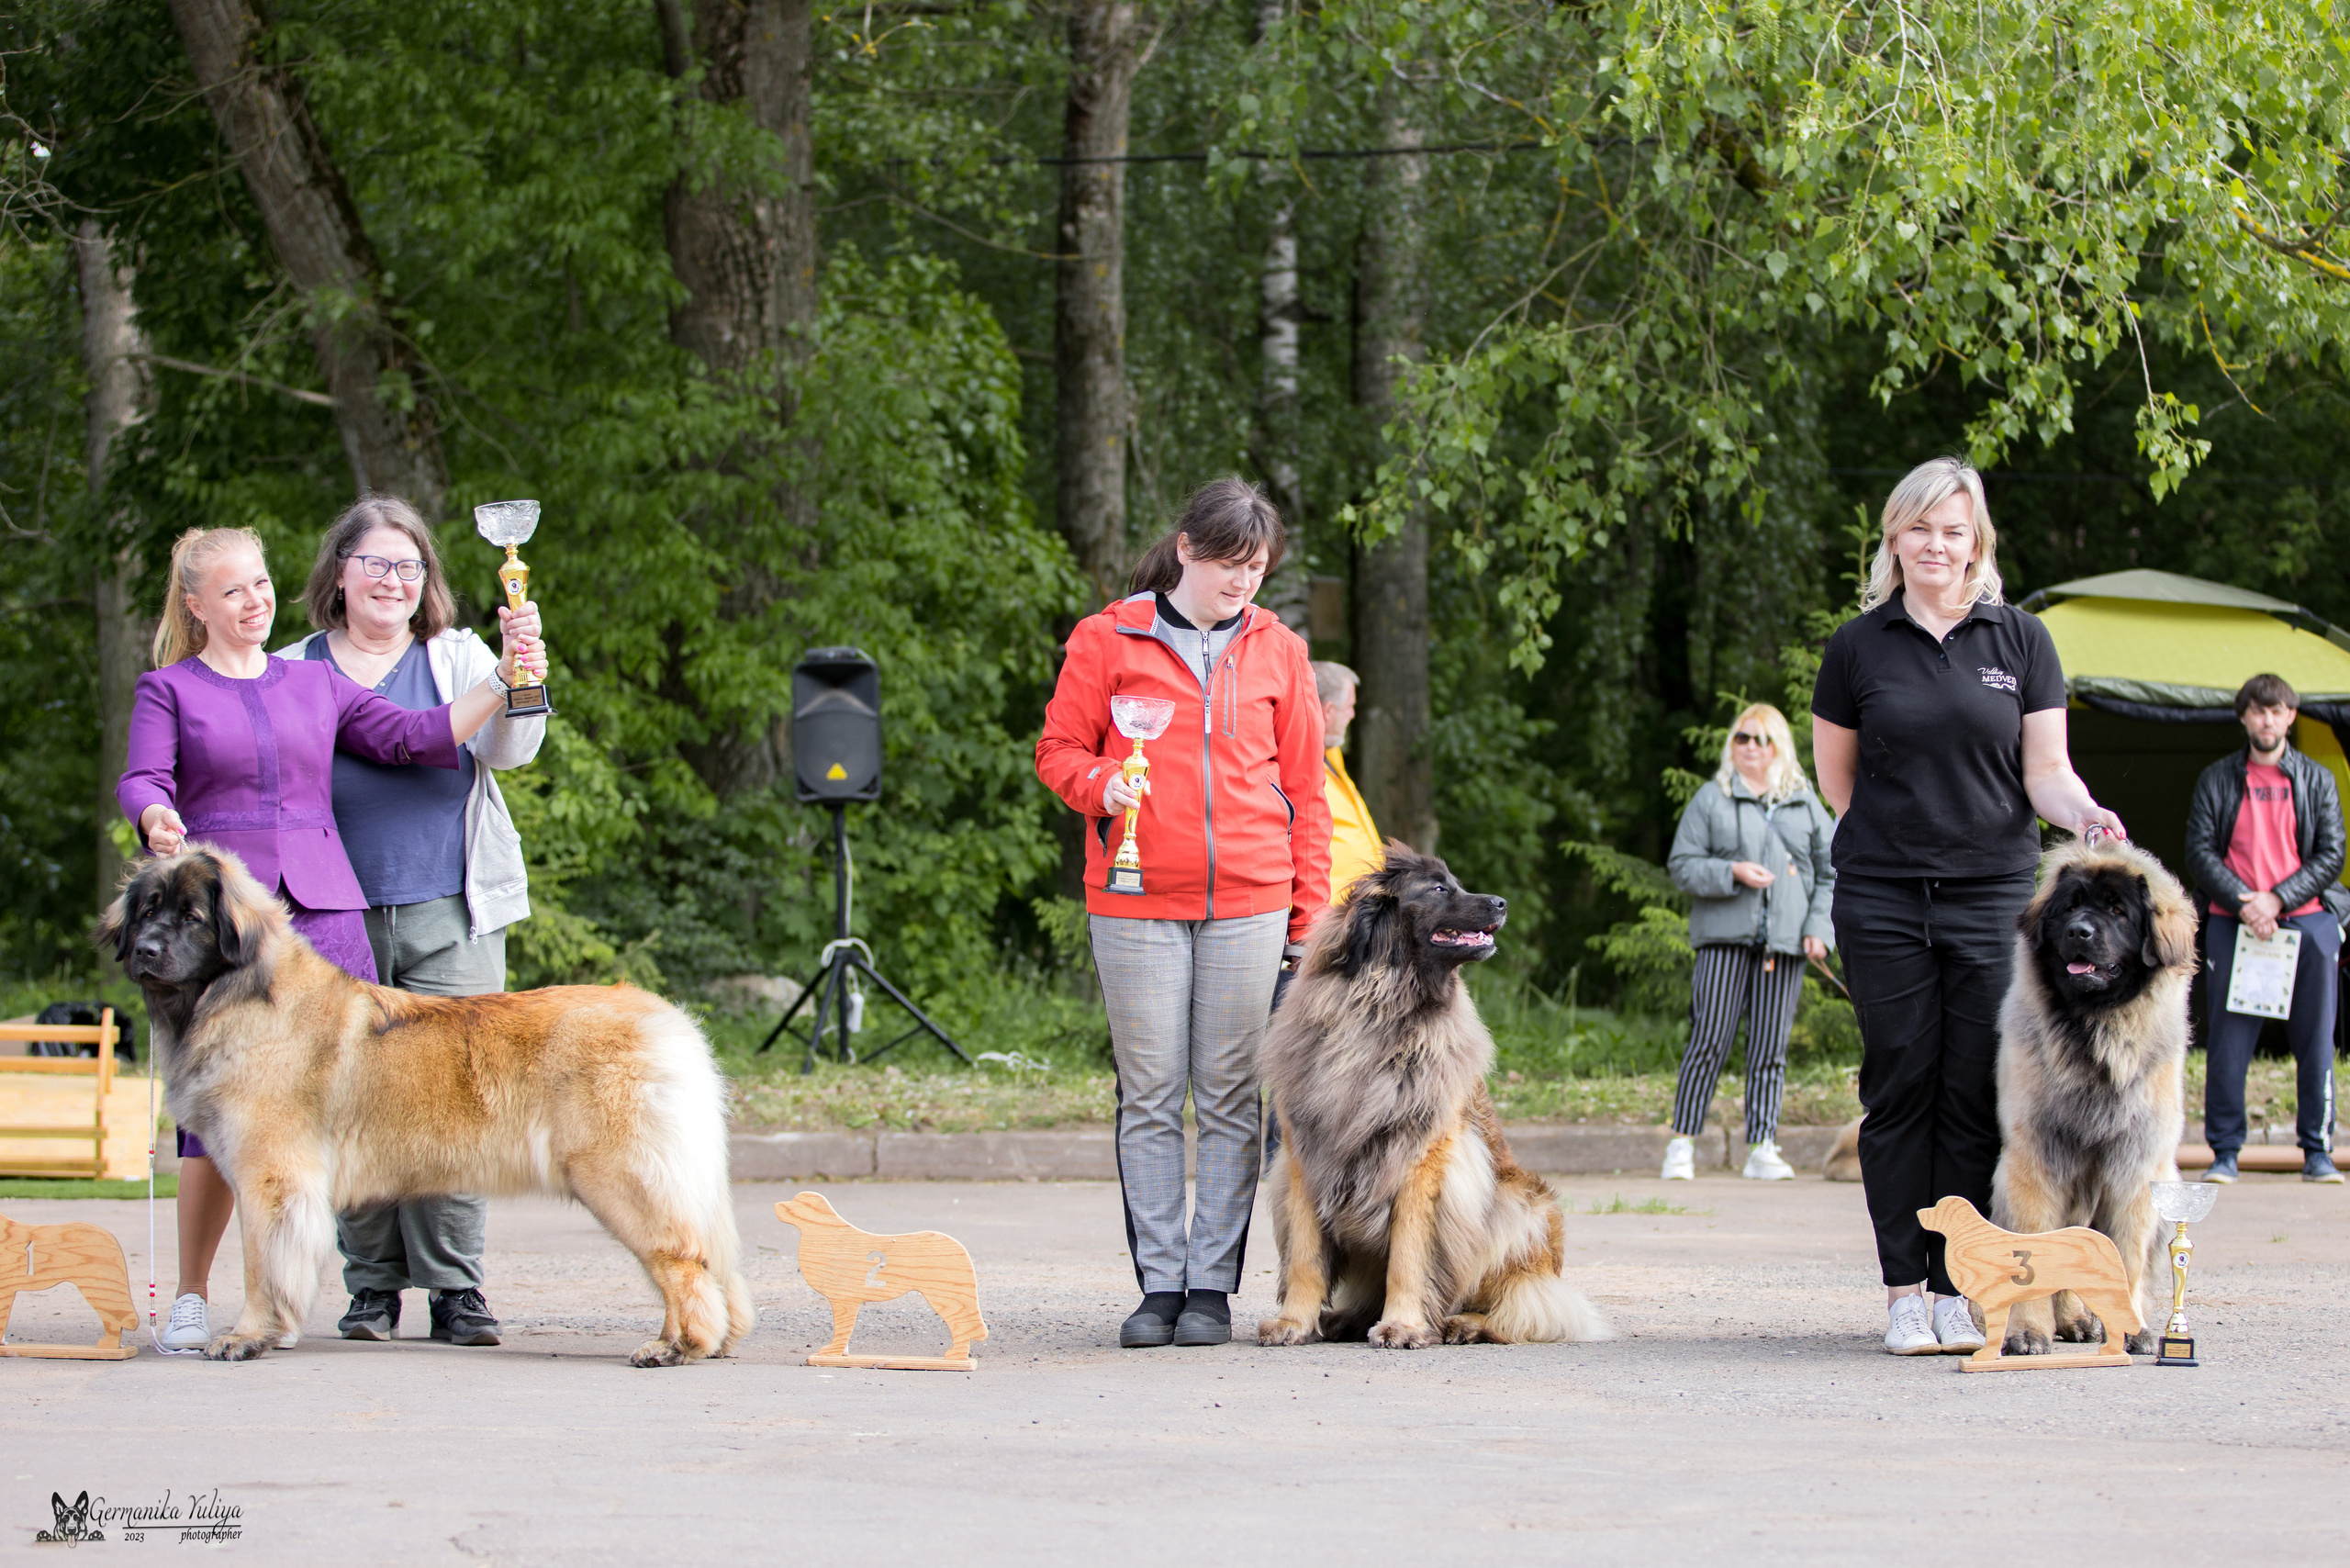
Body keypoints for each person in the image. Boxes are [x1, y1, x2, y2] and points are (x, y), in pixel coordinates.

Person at [120, 525, 543, 1351]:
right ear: (199, 606)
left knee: (351, 1107)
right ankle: (193, 1297)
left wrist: (502, 677)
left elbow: (415, 738)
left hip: (321, 918)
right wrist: (153, 814)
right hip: (224, 932)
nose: (255, 600)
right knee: (213, 1119)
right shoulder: (167, 688)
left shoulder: (312, 682)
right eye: (234, 589)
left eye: (262, 583)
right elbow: (143, 776)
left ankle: (349, 1296)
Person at [1810, 457, 2125, 1357]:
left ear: (1975, 542)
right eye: (1919, 528)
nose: (1935, 545)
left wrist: (2086, 812)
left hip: (1992, 894)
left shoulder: (2020, 641)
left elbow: (2045, 774)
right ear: (1894, 538)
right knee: (1899, 1083)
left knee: (1973, 1089)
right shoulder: (1857, 645)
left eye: (1952, 530)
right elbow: (1840, 784)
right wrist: (1899, 847)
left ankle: (1958, 1286)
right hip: (1882, 896)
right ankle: (1904, 1292)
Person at [1035, 477, 1331, 1350]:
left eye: (1259, 568)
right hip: (1133, 902)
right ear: (1187, 551)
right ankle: (1158, 1285)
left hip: (1251, 901)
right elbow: (1057, 750)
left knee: (1234, 1097)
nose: (1245, 583)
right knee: (1154, 1095)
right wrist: (1099, 784)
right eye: (1231, 566)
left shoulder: (1281, 650)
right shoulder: (1105, 639)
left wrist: (1307, 912)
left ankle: (1212, 1286)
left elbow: (1307, 794)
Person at [278, 497, 550, 1344]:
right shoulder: (292, 667)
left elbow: (512, 751)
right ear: (339, 573)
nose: (394, 580)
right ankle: (371, 1290)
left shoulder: (459, 653)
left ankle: (455, 1291)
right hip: (330, 914)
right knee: (348, 1100)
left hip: (450, 908)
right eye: (376, 564)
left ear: (427, 580)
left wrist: (522, 673)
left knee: (456, 1101)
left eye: (411, 567)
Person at [1662, 702, 1837, 1182]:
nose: (1752, 748)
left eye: (1762, 739)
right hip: (1723, 941)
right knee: (1708, 1040)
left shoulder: (1803, 802)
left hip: (1784, 948)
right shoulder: (1711, 798)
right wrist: (1732, 871)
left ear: (1779, 746)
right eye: (1743, 738)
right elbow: (1682, 865)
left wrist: (1819, 930)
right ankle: (1682, 1143)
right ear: (1731, 745)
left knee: (1770, 1049)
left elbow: (1831, 871)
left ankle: (1762, 1146)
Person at [2185, 673, 2345, 1185]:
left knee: (2317, 1040)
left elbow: (2332, 854)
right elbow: (2199, 852)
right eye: (2258, 711)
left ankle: (2318, 1152)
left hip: (2307, 921)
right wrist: (2246, 903)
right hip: (2236, 924)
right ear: (2244, 717)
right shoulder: (2217, 778)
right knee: (2230, 1043)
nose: (2267, 720)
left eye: (2276, 711)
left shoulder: (2317, 779)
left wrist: (2279, 898)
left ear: (2291, 717)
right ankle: (2225, 1153)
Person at [1313, 661, 1382, 902]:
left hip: (1356, 913)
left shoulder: (1330, 757)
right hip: (1329, 917)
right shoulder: (1295, 766)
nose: (1352, 715)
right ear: (1329, 710)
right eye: (1349, 707)